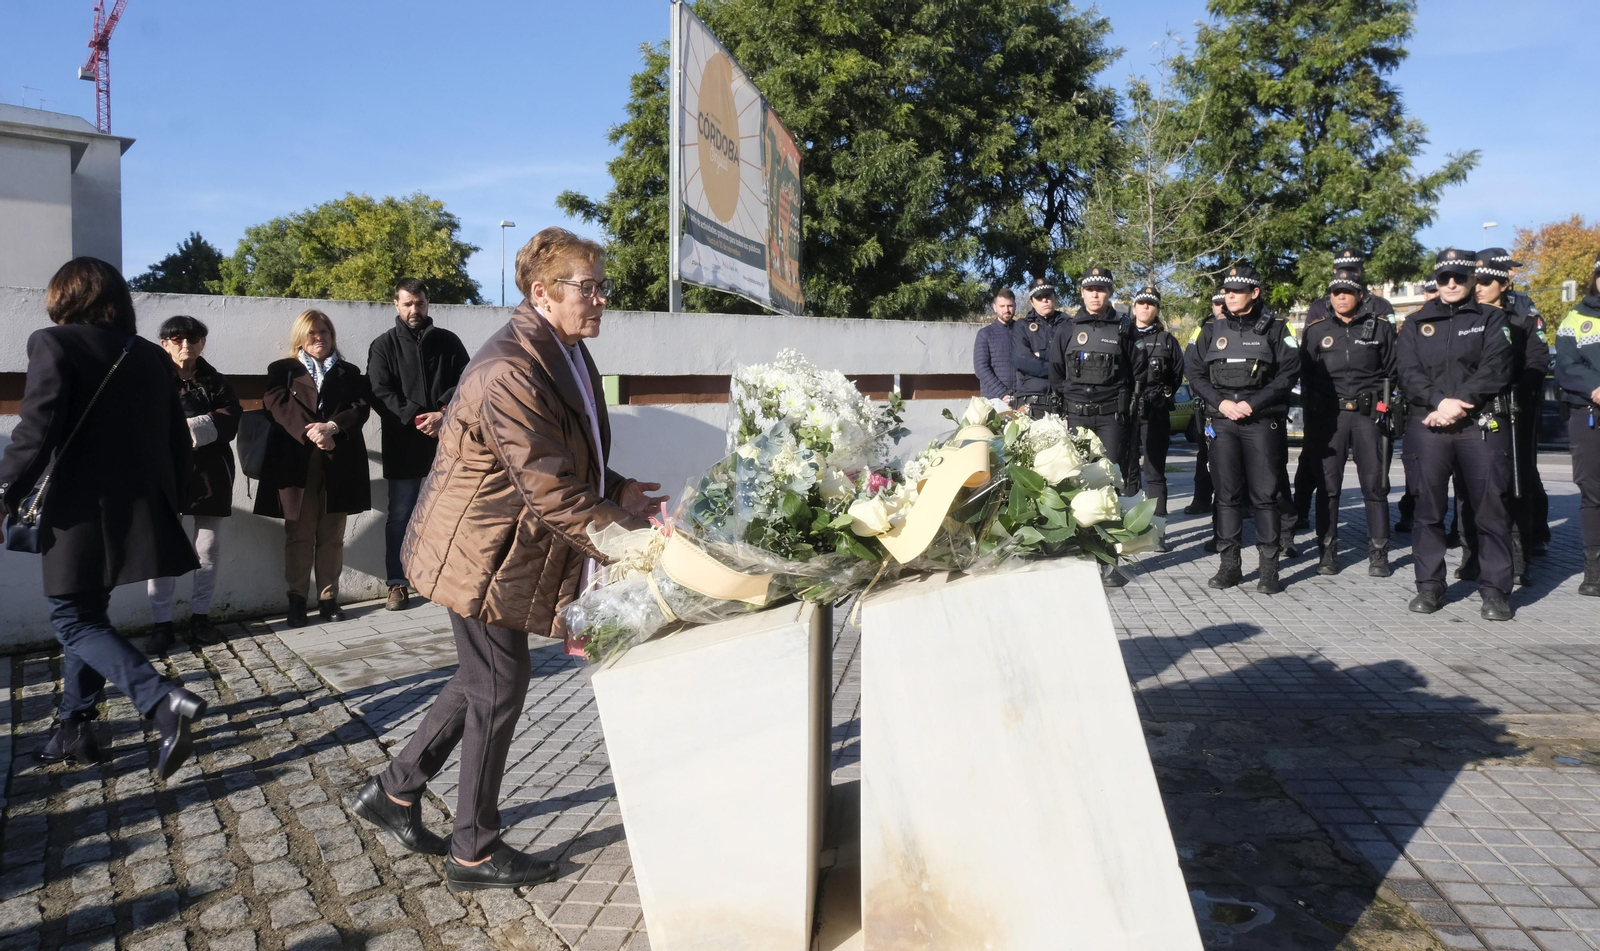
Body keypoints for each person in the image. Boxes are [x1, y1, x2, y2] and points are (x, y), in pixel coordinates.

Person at [352, 227, 665, 891]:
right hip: (476, 550)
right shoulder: (511, 368)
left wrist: (615, 490)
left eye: (602, 286)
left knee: (480, 677)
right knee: (499, 681)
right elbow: (547, 484)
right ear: (543, 293)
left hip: (498, 545)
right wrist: (634, 540)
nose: (602, 298)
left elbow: (563, 458)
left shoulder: (563, 349)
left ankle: (396, 792)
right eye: (590, 287)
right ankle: (473, 851)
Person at [0, 257, 207, 777]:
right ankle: (74, 728)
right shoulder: (151, 357)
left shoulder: (54, 342)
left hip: (77, 514)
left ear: (67, 296)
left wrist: (4, 489)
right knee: (89, 616)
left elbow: (35, 431)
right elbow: (175, 437)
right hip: (136, 510)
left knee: (73, 619)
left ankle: (162, 701)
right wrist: (174, 497)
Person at [1398, 249, 1516, 620]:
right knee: (1427, 510)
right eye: (1445, 276)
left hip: (1478, 424)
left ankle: (1495, 592)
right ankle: (1430, 588)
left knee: (1490, 509)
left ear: (1471, 280)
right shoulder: (1415, 323)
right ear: (1436, 279)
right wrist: (1438, 401)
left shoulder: (1493, 318)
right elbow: (1408, 372)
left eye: (1460, 277)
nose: (1451, 283)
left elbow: (1497, 367)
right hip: (1428, 424)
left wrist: (1459, 402)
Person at [1185, 264, 1300, 593]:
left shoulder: (1277, 328)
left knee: (1265, 497)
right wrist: (1220, 403)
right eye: (1227, 291)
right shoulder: (1210, 329)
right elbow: (1195, 374)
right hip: (1222, 422)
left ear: (1255, 293)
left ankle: (1268, 570)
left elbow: (1288, 373)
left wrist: (1254, 403)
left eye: (1236, 291)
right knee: (1226, 497)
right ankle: (1230, 565)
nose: (1229, 296)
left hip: (1261, 421)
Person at [255, 310, 372, 628]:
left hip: (339, 463)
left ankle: (328, 599)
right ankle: (296, 599)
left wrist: (333, 427)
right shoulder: (283, 370)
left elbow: (360, 408)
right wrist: (314, 433)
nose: (319, 337)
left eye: (325, 332)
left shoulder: (349, 372)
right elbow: (276, 404)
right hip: (297, 465)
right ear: (300, 338)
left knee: (332, 536)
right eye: (312, 333)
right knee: (299, 536)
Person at [367, 278, 471, 611]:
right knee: (400, 514)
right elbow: (379, 392)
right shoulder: (383, 346)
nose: (415, 309)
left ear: (428, 304)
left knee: (451, 512)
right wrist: (417, 417)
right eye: (408, 303)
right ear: (396, 305)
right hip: (403, 443)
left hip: (448, 441)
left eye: (420, 303)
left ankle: (449, 579)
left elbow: (468, 381)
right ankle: (397, 584)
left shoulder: (448, 342)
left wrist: (442, 412)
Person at [146, 315, 242, 650]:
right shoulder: (152, 379)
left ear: (203, 342)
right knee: (163, 550)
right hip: (164, 475)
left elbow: (230, 419)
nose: (186, 345)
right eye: (177, 339)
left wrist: (184, 429)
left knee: (207, 549)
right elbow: (142, 421)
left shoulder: (216, 382)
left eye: (193, 338)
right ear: (164, 343)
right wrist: (193, 428)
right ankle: (161, 624)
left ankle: (200, 618)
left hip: (210, 475)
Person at [1298, 269, 1399, 577]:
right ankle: (1327, 552)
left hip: (1368, 416)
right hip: (1330, 417)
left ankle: (1378, 554)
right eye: (1335, 291)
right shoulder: (1316, 330)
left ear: (1359, 295)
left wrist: (1384, 408)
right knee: (1328, 487)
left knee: (1375, 485)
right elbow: (1306, 376)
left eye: (1347, 291)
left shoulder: (1379, 327)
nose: (1340, 296)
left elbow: (1392, 372)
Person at [1461, 248, 1551, 584]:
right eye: (1476, 281)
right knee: (1468, 485)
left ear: (1503, 282)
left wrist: (1515, 390)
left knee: (1518, 483)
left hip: (1513, 409)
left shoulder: (1523, 313)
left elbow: (1538, 361)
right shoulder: (1464, 314)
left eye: (1485, 281)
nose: (1478, 287)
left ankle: (1518, 558)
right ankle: (1472, 556)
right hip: (1473, 410)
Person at [1049, 267, 1134, 487]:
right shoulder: (1068, 329)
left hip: (1111, 418)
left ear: (1110, 292)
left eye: (1100, 289)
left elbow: (1137, 370)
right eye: (1090, 289)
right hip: (1077, 416)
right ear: (1082, 292)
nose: (1095, 295)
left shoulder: (1125, 329)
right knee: (1077, 479)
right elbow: (1056, 372)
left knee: (1110, 479)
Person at [1554, 254, 1600, 596]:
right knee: (1593, 492)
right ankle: (1594, 571)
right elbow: (1566, 365)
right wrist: (1595, 387)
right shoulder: (1576, 318)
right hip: (1590, 412)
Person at [1126, 286, 1184, 536]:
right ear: (1134, 307)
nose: (1145, 308)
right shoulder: (1122, 335)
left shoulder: (1168, 341)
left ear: (1157, 309)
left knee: (1155, 471)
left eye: (1150, 304)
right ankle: (1127, 527)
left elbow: (1177, 375)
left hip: (1156, 409)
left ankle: (1158, 531)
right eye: (1141, 303)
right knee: (1127, 471)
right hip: (1127, 410)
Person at [1394, 277, 1441, 535]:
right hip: (1421, 405)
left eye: (1437, 289)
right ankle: (1410, 513)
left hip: (1456, 406)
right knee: (1417, 475)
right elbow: (1406, 366)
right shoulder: (1414, 322)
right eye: (1430, 290)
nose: (1434, 294)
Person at [1184, 292, 1225, 533]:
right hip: (1208, 403)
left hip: (1237, 404)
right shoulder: (1203, 329)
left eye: (1224, 301)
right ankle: (1201, 499)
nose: (1221, 306)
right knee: (1205, 455)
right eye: (1217, 303)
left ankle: (1246, 504)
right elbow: (1191, 364)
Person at [1010, 278, 1066, 418]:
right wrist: (1058, 369)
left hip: (1063, 401)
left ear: (1054, 297)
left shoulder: (1068, 324)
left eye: (1047, 296)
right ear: (1032, 302)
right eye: (1039, 298)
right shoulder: (1021, 326)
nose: (1044, 300)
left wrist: (1041, 354)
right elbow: (1022, 360)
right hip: (1032, 403)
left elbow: (1072, 357)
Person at [974, 287, 1016, 402]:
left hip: (1021, 400)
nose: (1006, 310)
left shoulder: (1023, 332)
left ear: (1015, 306)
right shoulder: (985, 334)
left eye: (1010, 306)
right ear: (995, 308)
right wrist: (1002, 393)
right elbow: (981, 369)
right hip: (994, 400)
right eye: (1002, 306)